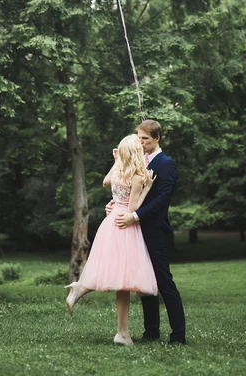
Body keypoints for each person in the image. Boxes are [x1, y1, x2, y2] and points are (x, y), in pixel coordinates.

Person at [64, 134, 158, 346]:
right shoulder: (136, 176)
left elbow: (106, 182)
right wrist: (148, 188)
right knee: (123, 279)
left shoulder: (118, 172)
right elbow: (133, 209)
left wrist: (116, 161)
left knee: (116, 276)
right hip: (124, 225)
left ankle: (120, 331)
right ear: (137, 152)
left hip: (110, 224)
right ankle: (121, 333)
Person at [113, 119, 187, 345]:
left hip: (155, 231)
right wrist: (116, 206)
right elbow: (125, 191)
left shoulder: (167, 164)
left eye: (145, 138)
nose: (141, 142)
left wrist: (134, 216)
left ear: (157, 138)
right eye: (139, 137)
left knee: (164, 282)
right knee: (144, 284)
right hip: (134, 231)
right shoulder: (137, 162)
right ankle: (151, 331)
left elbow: (162, 201)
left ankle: (178, 336)